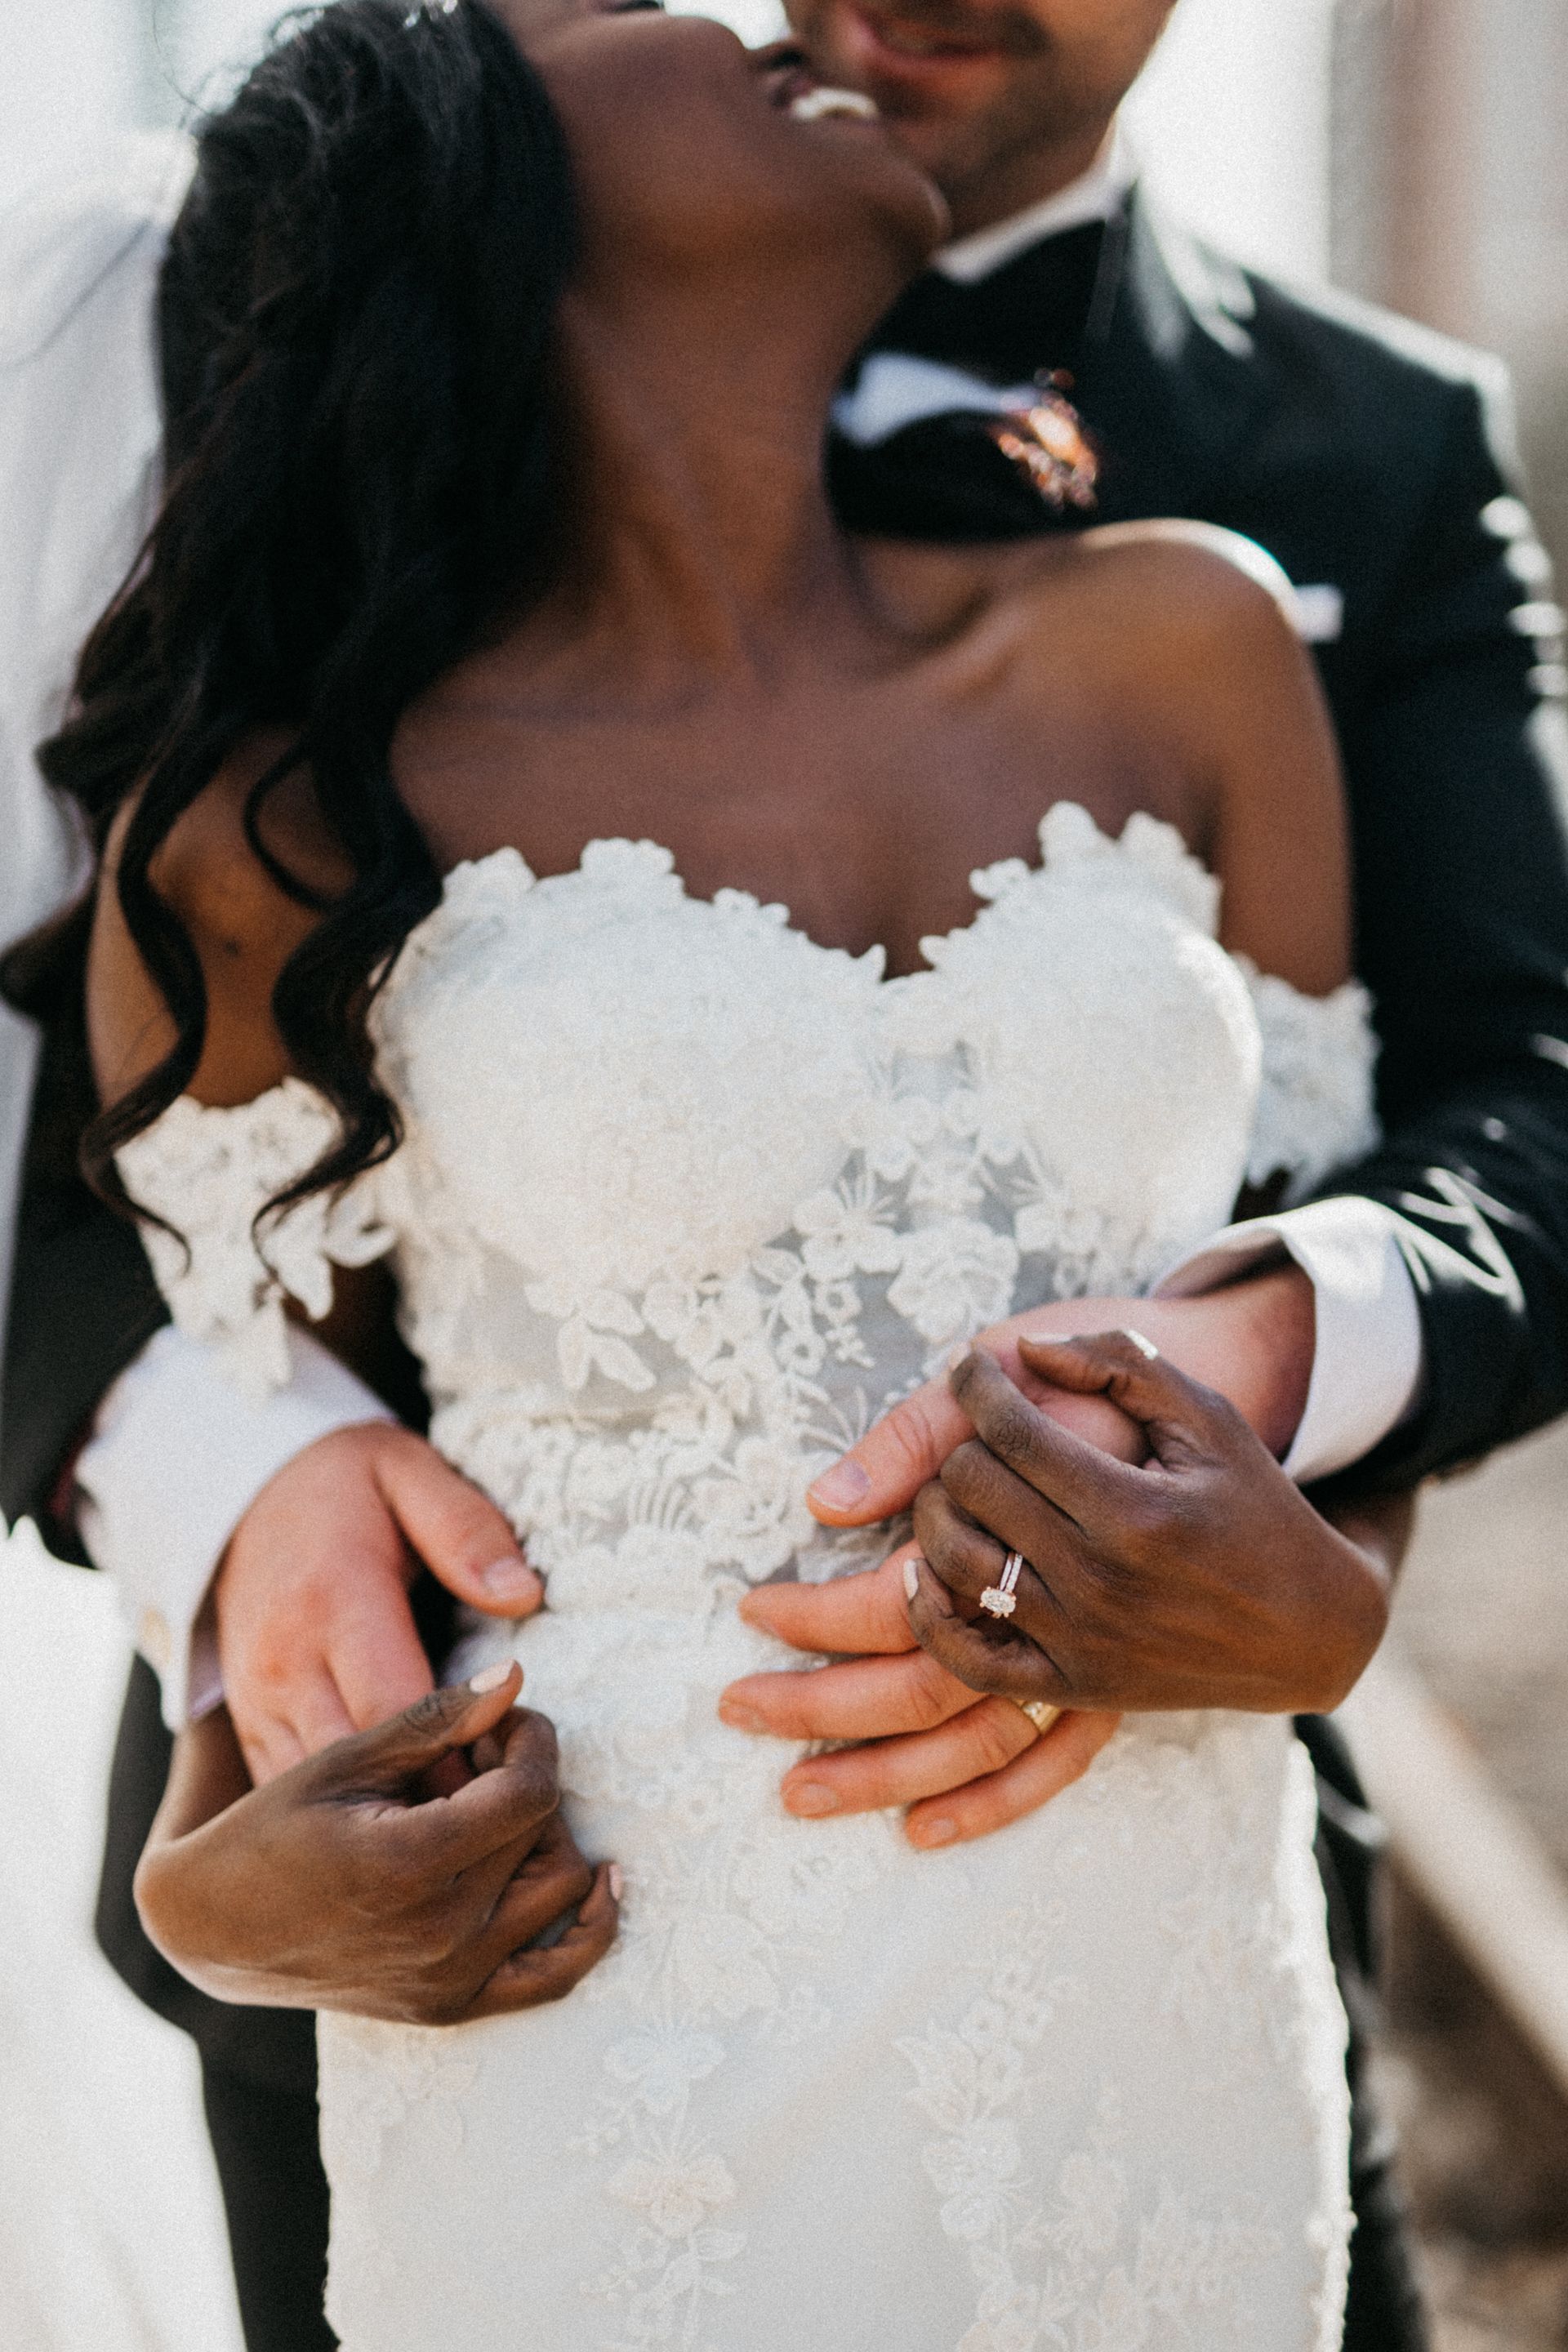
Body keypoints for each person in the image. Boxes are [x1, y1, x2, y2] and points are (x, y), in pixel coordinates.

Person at [2, 0, 1562, 2339]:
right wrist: (222, 1742)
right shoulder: (300, 778)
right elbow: (165, 1242)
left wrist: (1301, 1494)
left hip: (1143, 1945)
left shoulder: (1283, 532)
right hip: (526, 1971)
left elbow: (1508, 1102)